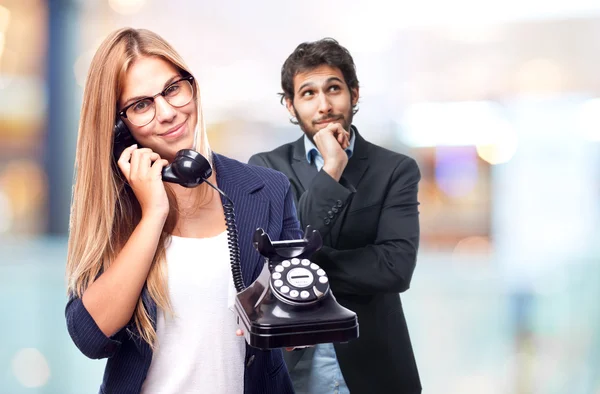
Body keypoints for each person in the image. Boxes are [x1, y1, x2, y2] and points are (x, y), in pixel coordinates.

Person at [64, 27, 302, 394]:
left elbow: (297, 318)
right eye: (141, 105)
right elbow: (91, 337)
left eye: (173, 89)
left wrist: (297, 323)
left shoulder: (268, 189)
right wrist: (154, 212)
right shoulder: (113, 209)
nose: (168, 113)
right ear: (119, 127)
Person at [249, 38, 422, 394]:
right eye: (308, 93)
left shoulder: (395, 170)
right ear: (290, 106)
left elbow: (395, 267)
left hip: (375, 367)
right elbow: (274, 260)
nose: (324, 105)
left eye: (334, 89)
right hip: (294, 366)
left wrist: (302, 275)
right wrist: (332, 169)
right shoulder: (266, 168)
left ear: (354, 95)